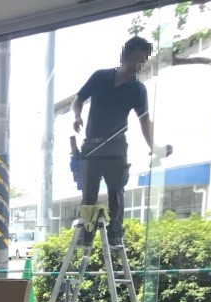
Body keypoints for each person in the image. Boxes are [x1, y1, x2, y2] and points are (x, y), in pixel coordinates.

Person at [71, 36, 172, 247]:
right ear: (124, 56)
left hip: (116, 149)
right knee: (88, 196)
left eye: (142, 62)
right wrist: (77, 116)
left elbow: (145, 120)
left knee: (116, 193)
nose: (137, 66)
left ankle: (115, 233)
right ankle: (86, 235)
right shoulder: (100, 77)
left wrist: (155, 148)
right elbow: (78, 99)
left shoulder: (137, 89)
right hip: (91, 147)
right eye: (135, 60)